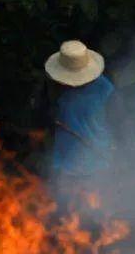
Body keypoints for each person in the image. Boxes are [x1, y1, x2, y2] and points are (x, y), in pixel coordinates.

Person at [44, 40, 115, 209]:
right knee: (65, 216)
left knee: (91, 215)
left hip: (95, 164)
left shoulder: (106, 91)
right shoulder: (57, 89)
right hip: (65, 165)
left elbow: (118, 124)